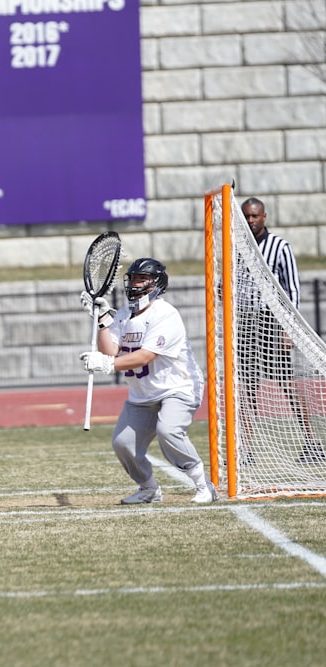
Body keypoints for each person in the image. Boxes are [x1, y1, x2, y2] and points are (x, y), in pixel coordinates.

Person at [80, 258, 217, 505]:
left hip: (177, 388)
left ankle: (203, 485)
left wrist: (107, 365)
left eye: (142, 279)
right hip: (143, 394)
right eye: (133, 279)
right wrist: (101, 320)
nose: (135, 284)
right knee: (123, 444)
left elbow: (146, 356)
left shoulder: (165, 314)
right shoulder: (123, 315)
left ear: (156, 284)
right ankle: (149, 489)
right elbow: (110, 350)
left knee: (169, 431)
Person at [238, 197, 324, 463]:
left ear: (264, 217)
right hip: (245, 322)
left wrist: (289, 329)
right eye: (247, 217)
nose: (251, 221)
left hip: (272, 321)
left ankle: (312, 443)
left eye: (255, 216)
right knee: (247, 386)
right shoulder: (238, 246)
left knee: (286, 383)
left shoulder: (280, 247)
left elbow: (293, 290)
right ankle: (245, 450)